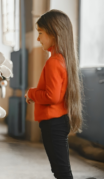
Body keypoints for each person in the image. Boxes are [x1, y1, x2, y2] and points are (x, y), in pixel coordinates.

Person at [25, 9, 83, 179]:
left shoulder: (54, 62)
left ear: (54, 34)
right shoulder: (62, 59)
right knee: (60, 170)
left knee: (61, 172)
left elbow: (52, 96)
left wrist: (31, 93)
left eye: (40, 33)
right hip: (58, 121)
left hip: (53, 123)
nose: (38, 38)